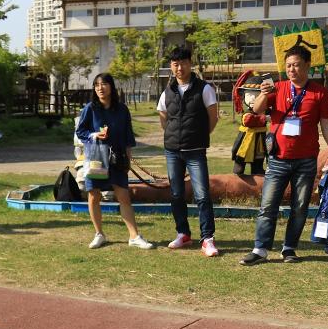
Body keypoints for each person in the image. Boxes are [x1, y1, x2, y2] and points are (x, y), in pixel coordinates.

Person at [241, 45, 328, 265]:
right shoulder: (278, 87)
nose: (291, 69)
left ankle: (289, 248)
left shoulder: (320, 93)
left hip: (306, 160)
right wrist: (264, 95)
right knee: (268, 205)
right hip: (278, 158)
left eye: (295, 65)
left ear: (307, 66)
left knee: (300, 206)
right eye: (288, 66)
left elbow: (327, 124)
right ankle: (260, 249)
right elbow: (256, 110)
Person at [75, 73, 156, 251]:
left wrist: (128, 160)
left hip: (117, 157)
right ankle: (99, 234)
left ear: (111, 87)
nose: (100, 88)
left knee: (123, 196)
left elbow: (128, 137)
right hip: (96, 157)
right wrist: (95, 134)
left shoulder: (122, 110)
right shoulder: (90, 108)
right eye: (96, 85)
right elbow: (80, 132)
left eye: (104, 84)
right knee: (94, 195)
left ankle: (134, 236)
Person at [157, 46, 220, 257]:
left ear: (190, 63)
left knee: (202, 194)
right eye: (175, 64)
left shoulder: (204, 88)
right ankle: (183, 233)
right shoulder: (168, 91)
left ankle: (207, 238)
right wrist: (173, 136)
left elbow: (213, 117)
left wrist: (201, 135)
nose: (179, 67)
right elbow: (163, 117)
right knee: (176, 194)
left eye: (183, 62)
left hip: (195, 150)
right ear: (170, 67)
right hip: (172, 151)